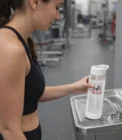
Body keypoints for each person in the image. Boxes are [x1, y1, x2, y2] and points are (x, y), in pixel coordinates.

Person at [0, 0, 94, 140]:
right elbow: (8, 130)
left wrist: (74, 87)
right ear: (35, 2)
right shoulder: (10, 48)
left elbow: (29, 93)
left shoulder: (21, 39)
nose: (58, 16)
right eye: (56, 7)